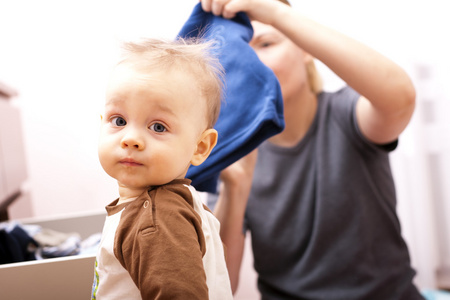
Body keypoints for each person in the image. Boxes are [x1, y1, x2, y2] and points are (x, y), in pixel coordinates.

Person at [200, 0, 424, 299]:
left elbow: (401, 97)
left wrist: (277, 13)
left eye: (266, 43)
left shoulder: (347, 115)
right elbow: (218, 286)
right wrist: (236, 187)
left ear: (305, 49)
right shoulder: (230, 155)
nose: (253, 62)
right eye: (242, 52)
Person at [92, 37, 233, 299]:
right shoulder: (173, 204)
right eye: (119, 120)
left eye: (158, 126)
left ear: (200, 147)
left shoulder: (157, 220)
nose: (130, 138)